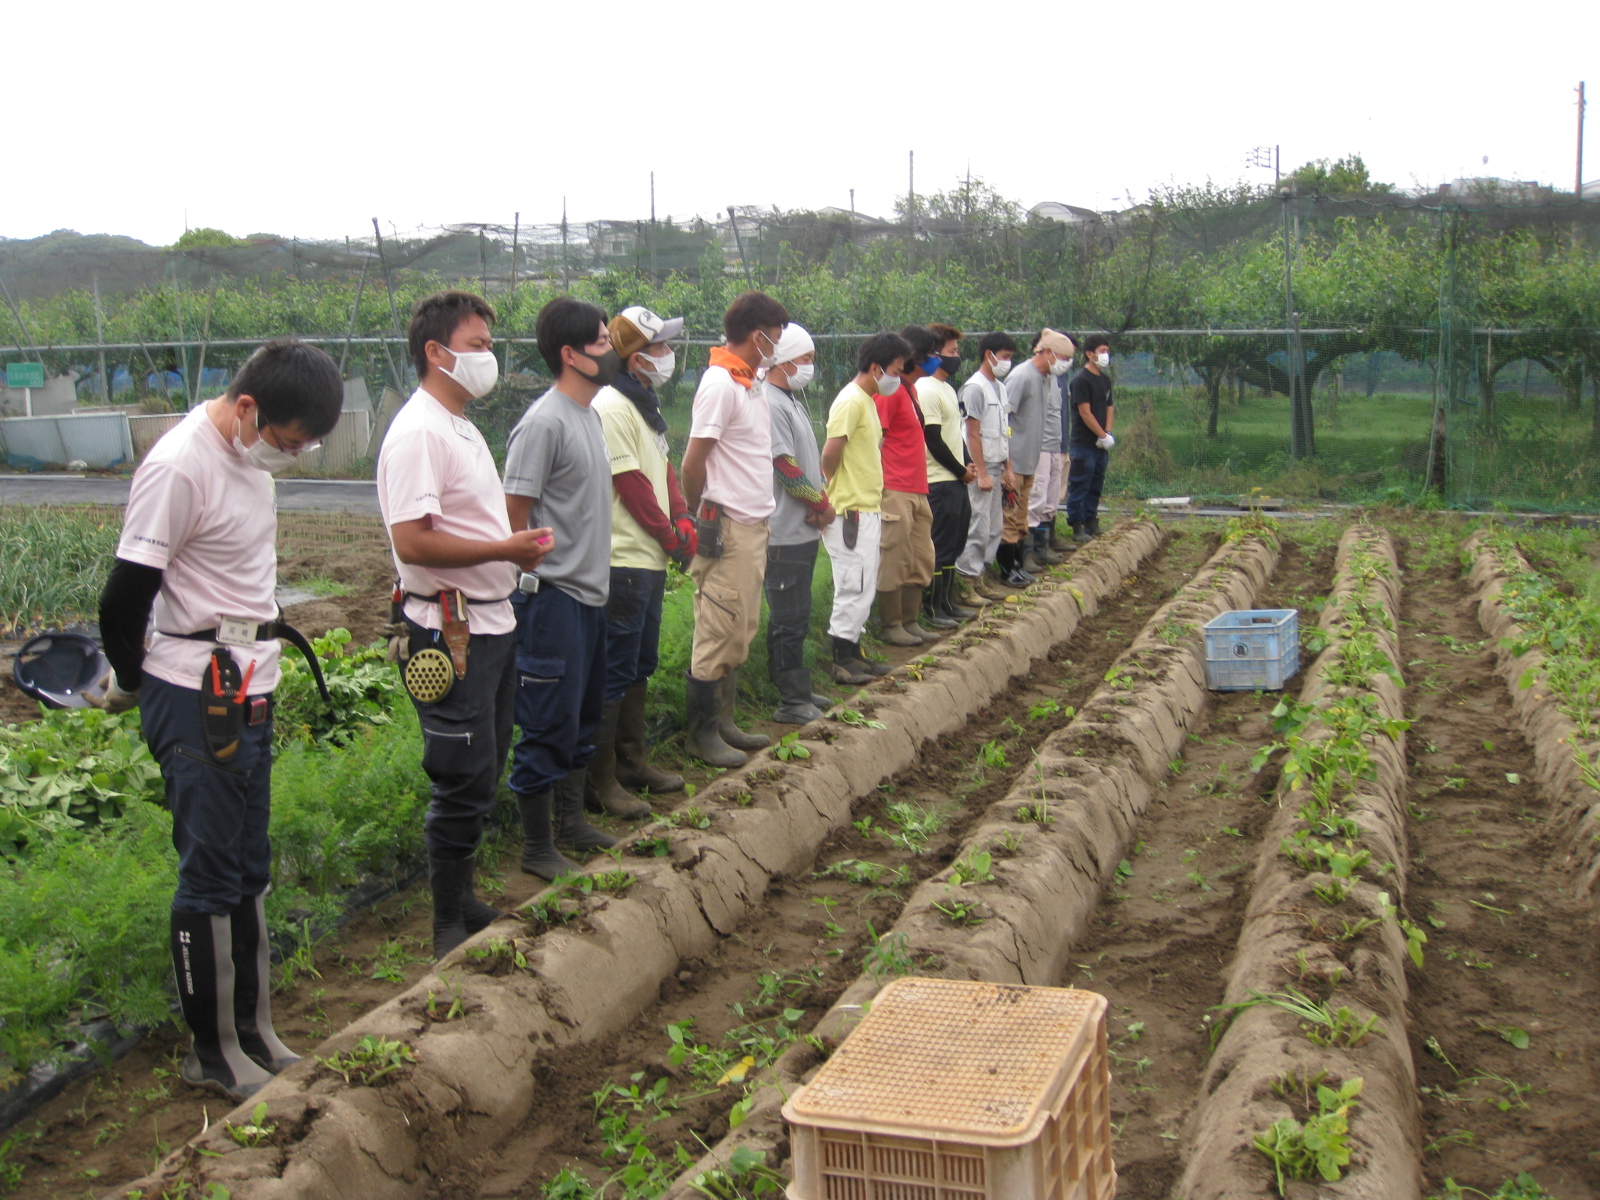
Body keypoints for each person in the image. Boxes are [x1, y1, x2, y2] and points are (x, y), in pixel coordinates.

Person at [97, 338, 344, 1101]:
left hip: (249, 683)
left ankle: (258, 1029)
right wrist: (140, 683)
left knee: (249, 866)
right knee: (208, 872)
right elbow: (123, 598)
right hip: (194, 691)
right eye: (287, 441)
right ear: (247, 409)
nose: (292, 456)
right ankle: (212, 1050)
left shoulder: (245, 459)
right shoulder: (180, 466)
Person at [377, 291, 554, 957]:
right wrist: (505, 550)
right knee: (460, 774)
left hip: (490, 622)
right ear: (435, 351)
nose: (490, 357)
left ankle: (466, 897)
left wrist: (511, 550)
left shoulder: (459, 425)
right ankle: (446, 922)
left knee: (485, 767)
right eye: (479, 345)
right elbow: (414, 544)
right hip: (450, 633)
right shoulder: (419, 432)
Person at [502, 296, 623, 877]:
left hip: (589, 595)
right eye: (601, 341)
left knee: (582, 713)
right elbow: (514, 511)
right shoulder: (544, 421)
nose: (611, 350)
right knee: (547, 718)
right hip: (552, 598)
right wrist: (532, 581)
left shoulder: (590, 416)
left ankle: (571, 822)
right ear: (570, 354)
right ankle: (536, 847)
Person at [586, 306, 695, 818]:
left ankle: (632, 762)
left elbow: (664, 471)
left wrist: (683, 518)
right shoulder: (611, 407)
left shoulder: (644, 404)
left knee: (638, 667)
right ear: (634, 358)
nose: (668, 356)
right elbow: (629, 486)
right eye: (659, 348)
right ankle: (601, 781)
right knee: (614, 671)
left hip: (647, 561)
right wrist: (671, 538)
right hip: (624, 560)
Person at [679, 291, 791, 766]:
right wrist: (695, 512)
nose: (779, 345)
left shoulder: (751, 382)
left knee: (740, 625)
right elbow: (693, 461)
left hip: (753, 523)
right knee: (719, 625)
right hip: (727, 526)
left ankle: (723, 721)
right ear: (757, 335)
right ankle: (701, 734)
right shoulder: (720, 384)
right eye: (777, 336)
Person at [821, 332, 908, 683]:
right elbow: (830, 452)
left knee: (864, 584)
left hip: (866, 506)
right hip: (851, 511)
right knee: (852, 585)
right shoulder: (851, 401)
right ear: (875, 367)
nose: (897, 378)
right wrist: (833, 489)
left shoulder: (867, 400)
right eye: (896, 371)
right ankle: (841, 661)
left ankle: (854, 652)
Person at [763, 322, 837, 723]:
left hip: (801, 529)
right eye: (805, 359)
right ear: (784, 360)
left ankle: (797, 689)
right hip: (784, 531)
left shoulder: (790, 398)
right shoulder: (771, 403)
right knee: (788, 617)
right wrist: (821, 503)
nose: (810, 366)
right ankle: (791, 701)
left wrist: (818, 500)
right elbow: (785, 467)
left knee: (796, 612)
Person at [870, 324, 940, 647]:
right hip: (895, 487)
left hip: (917, 487)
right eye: (929, 355)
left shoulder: (911, 391)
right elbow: (876, 440)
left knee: (921, 556)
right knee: (894, 556)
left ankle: (911, 619)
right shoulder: (890, 394)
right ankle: (891, 624)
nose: (935, 361)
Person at [999, 329, 1076, 586]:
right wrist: (1006, 463)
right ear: (1046, 352)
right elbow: (1004, 420)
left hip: (1030, 461)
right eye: (1062, 357)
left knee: (1022, 519)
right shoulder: (1021, 376)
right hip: (1014, 462)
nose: (1065, 363)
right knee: (1009, 518)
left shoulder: (1046, 379)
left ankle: (1020, 564)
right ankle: (1007, 570)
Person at [914, 322, 976, 625]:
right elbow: (933, 439)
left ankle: (947, 603)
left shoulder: (947, 389)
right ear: (935, 354)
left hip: (955, 479)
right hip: (939, 481)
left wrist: (968, 463)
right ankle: (932, 608)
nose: (957, 356)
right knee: (939, 545)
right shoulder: (926, 389)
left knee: (955, 543)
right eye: (952, 351)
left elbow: (955, 434)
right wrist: (959, 470)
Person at [955, 331, 1018, 601]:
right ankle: (966, 580)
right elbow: (972, 433)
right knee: (977, 523)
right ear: (988, 355)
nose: (1007, 362)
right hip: (981, 467)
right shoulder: (975, 388)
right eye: (1004, 357)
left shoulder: (1000, 388)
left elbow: (1005, 431)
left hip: (997, 463)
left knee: (994, 526)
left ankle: (979, 574)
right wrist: (980, 472)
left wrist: (1009, 468)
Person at [1027, 336, 1073, 570]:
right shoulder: (1026, 377)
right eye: (1064, 357)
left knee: (1049, 502)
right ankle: (1028, 554)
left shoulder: (1054, 379)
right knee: (1034, 501)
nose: (1066, 363)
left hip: (1056, 446)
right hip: (1039, 448)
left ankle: (1042, 548)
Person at [1066, 334, 1116, 542]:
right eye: (1102, 351)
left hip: (1100, 445)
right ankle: (1077, 525)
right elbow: (1085, 412)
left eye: (1107, 351)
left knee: (1096, 483)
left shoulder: (1105, 380)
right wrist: (1100, 434)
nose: (1105, 355)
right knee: (1080, 484)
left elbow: (1109, 407)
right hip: (1084, 444)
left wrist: (1107, 434)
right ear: (1089, 354)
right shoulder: (1080, 380)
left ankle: (1091, 520)